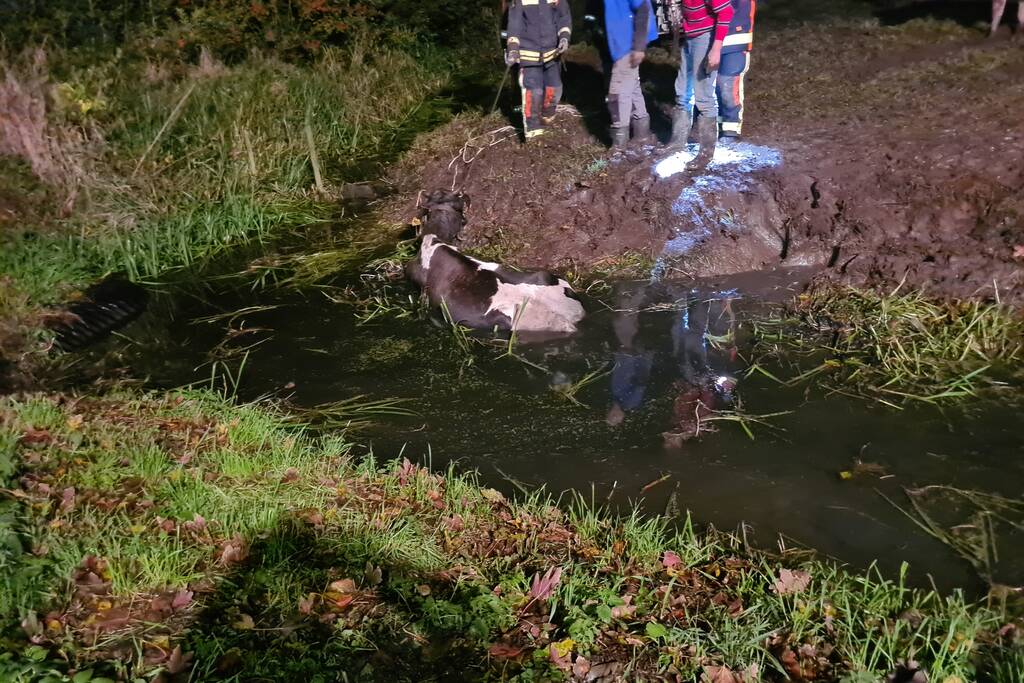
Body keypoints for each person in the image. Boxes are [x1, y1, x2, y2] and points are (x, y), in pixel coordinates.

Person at [669, 0, 734, 172]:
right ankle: (677, 142)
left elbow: (726, 11)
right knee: (682, 91)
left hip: (705, 37)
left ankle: (706, 152)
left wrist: (716, 49)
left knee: (703, 94)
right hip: (690, 38)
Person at [506, 0, 572, 140]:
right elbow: (514, 24)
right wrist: (512, 49)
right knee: (533, 93)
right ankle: (533, 132)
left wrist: (564, 38)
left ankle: (547, 117)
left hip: (552, 54)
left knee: (555, 89)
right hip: (528, 55)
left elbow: (563, 18)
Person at [601, 0, 659, 149]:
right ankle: (642, 135)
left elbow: (643, 8)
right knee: (632, 88)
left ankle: (619, 146)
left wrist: (639, 46)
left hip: (627, 44)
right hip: (623, 42)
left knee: (617, 94)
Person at [716, 0, 755, 140]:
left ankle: (730, 129)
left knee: (728, 84)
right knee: (715, 87)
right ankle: (718, 126)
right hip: (712, 36)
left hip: (736, 36)